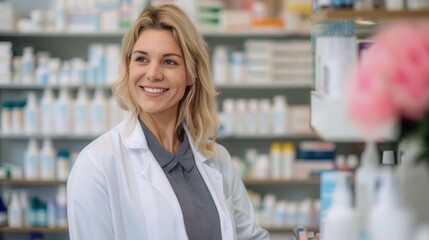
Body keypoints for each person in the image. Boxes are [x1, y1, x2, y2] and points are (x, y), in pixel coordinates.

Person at [67, 4, 269, 240]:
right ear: (128, 66)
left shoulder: (217, 159)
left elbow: (251, 237)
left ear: (191, 74)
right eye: (141, 59)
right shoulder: (97, 164)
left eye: (169, 62)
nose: (153, 73)